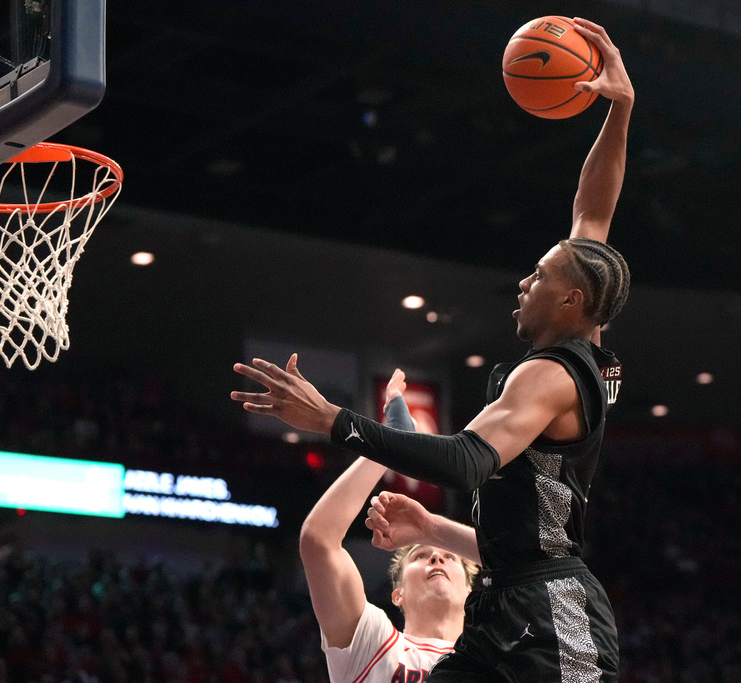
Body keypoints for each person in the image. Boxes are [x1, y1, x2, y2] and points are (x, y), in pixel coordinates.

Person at [231, 16, 632, 681]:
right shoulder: (581, 329)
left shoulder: (553, 374)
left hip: (553, 617)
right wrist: (617, 111)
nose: (526, 279)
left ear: (571, 302)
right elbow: (592, 217)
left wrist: (337, 422)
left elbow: (470, 460)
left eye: (541, 274)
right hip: (505, 607)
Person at [299, 369, 478, 683]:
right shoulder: (374, 642)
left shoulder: (498, 658)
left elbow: (541, 563)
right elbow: (318, 540)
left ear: (470, 589)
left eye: (450, 557)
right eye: (420, 556)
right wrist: (390, 442)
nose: (437, 558)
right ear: (398, 595)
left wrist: (430, 528)